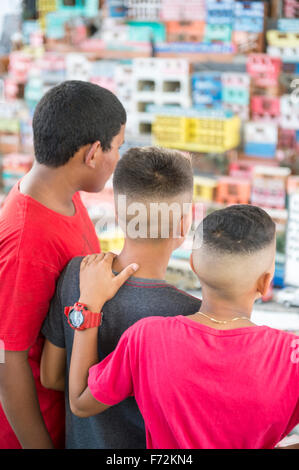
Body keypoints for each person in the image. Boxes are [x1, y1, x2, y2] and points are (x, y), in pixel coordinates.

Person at [67, 205, 299, 449]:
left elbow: (81, 402)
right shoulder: (291, 356)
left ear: (193, 265)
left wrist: (89, 305)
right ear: (266, 282)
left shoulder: (146, 338)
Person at [40, 147, 202, 449]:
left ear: (119, 214)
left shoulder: (77, 274)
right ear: (184, 223)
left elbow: (50, 376)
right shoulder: (192, 316)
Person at [0, 80, 126, 449]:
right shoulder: (26, 242)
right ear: (92, 154)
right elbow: (8, 362)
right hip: (41, 430)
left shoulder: (59, 191)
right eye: (117, 148)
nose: (118, 159)